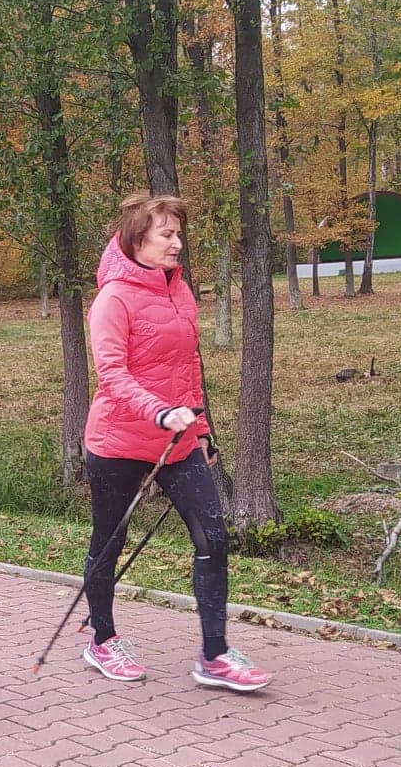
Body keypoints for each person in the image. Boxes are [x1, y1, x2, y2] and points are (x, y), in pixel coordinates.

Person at [77, 194, 270, 693]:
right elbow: (111, 375)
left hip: (179, 442)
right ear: (136, 239)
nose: (177, 243)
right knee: (109, 541)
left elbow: (187, 367)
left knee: (213, 538)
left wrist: (200, 431)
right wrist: (159, 411)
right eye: (166, 234)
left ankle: (215, 654)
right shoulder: (113, 298)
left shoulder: (179, 291)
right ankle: (102, 639)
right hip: (118, 440)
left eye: (178, 233)